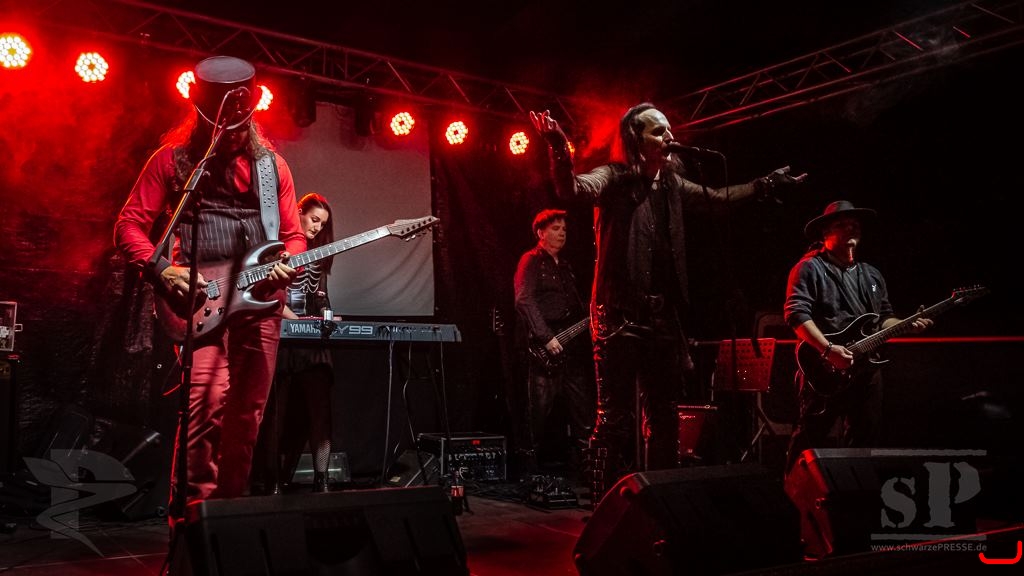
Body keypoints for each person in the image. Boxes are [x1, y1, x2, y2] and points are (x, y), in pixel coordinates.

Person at [529, 103, 806, 502]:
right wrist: (559, 146)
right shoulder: (615, 178)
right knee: (614, 419)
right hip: (619, 317)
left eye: (669, 130)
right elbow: (572, 188)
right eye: (658, 131)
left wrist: (764, 185)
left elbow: (718, 197)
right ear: (635, 139)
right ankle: (602, 502)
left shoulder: (672, 183)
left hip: (661, 319)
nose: (669, 137)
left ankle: (661, 501)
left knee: (664, 416)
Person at [113, 56, 304, 517]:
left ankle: (229, 516)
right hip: (201, 301)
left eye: (239, 122)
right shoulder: (172, 161)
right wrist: (163, 270)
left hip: (260, 302)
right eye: (222, 122)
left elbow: (294, 235)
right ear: (200, 113)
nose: (232, 132)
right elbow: (129, 225)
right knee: (204, 403)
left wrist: (289, 263)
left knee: (246, 414)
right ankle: (194, 519)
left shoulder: (272, 167)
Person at [783, 200, 932, 473]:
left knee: (865, 438)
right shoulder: (809, 268)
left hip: (866, 370)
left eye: (854, 224)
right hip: (823, 369)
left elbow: (884, 317)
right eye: (842, 224)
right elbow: (796, 315)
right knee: (811, 437)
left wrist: (906, 325)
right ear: (825, 233)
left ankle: (855, 489)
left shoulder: (871, 275)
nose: (851, 228)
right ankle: (793, 488)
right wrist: (828, 350)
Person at [258, 192, 336, 494]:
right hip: (282, 338)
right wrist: (296, 320)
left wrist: (328, 317)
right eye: (314, 219)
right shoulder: (277, 248)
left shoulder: (320, 253)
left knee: (321, 411)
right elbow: (268, 296)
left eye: (322, 224)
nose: (317, 227)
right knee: (275, 414)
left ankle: (322, 480)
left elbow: (321, 295)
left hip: (312, 342)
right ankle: (272, 482)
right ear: (299, 212)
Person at [513, 209, 593, 480]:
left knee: (583, 412)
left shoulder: (566, 267)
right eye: (556, 229)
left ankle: (589, 472)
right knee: (536, 414)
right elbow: (523, 299)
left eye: (564, 229)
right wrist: (545, 337)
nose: (562, 233)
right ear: (540, 232)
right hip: (542, 349)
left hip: (572, 349)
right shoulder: (531, 261)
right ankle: (529, 475)